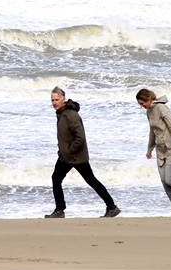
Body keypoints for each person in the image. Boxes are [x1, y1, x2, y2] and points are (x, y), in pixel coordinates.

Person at [45, 87, 119, 218]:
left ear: (63, 99)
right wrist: (63, 151)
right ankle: (59, 210)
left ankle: (112, 207)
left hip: (76, 157)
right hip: (66, 157)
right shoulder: (61, 113)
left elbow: (80, 137)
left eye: (57, 99)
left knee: (91, 181)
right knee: (56, 179)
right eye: (52, 100)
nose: (54, 102)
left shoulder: (71, 115)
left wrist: (69, 150)